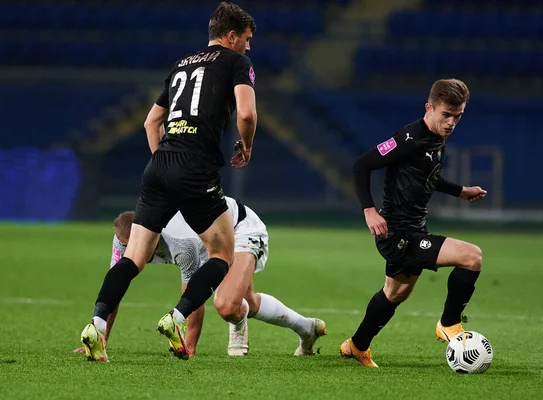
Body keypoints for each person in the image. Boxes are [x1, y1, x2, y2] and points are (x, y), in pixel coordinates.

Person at [80, 2, 258, 362]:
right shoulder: (236, 63)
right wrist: (247, 145)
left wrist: (164, 163)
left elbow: (150, 122)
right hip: (196, 168)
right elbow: (247, 112)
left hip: (159, 166)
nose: (249, 47)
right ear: (231, 36)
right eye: (247, 39)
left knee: (133, 257)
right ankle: (177, 317)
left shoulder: (182, 64)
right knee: (222, 253)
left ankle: (96, 324)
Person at [340, 79, 487, 368]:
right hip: (396, 233)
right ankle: (449, 324)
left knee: (395, 293)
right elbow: (361, 164)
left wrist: (460, 191)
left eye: (458, 117)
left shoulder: (436, 138)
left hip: (414, 228)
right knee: (472, 257)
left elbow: (427, 176)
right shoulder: (409, 138)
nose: (451, 123)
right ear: (429, 108)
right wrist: (369, 210)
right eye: (446, 115)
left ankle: (356, 346)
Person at [75, 198, 326, 357]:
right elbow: (114, 291)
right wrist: (102, 338)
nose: (131, 253)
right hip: (207, 239)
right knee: (247, 301)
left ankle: (238, 324)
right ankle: (307, 328)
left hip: (239, 228)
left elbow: (192, 296)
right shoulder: (125, 240)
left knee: (227, 305)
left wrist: (190, 348)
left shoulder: (179, 243)